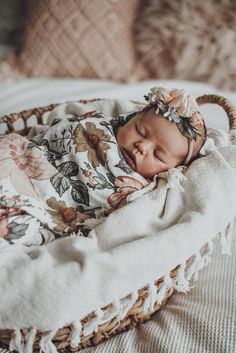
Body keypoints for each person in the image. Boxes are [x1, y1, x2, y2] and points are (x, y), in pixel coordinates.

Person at [0, 86, 207, 245]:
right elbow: (59, 133)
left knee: (17, 228)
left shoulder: (140, 191)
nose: (142, 147)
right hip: (24, 161)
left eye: (158, 154)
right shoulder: (98, 125)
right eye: (140, 131)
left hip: (46, 210)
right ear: (130, 118)